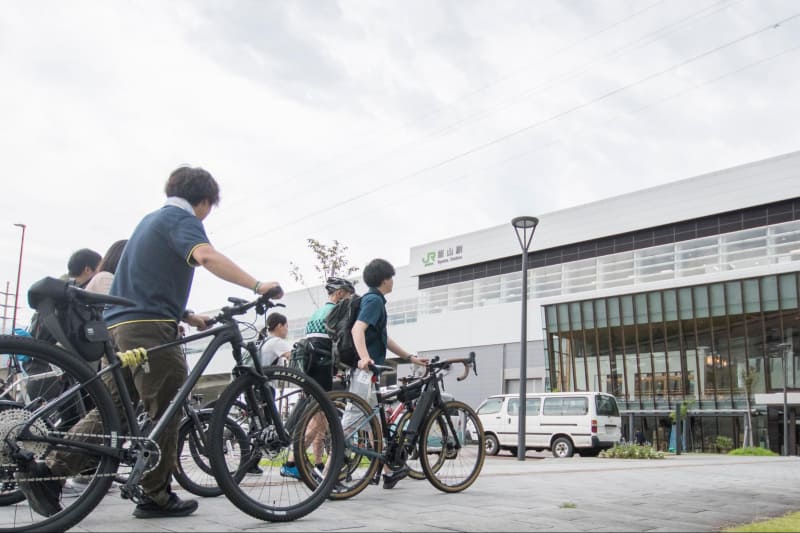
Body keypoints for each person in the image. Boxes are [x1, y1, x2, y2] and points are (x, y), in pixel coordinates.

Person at [16, 166, 283, 519]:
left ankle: (47, 473)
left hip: (123, 325)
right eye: (209, 207)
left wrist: (187, 316)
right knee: (168, 405)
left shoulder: (148, 221)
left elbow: (142, 281)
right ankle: (155, 495)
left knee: (112, 412)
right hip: (149, 329)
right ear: (203, 200)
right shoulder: (181, 218)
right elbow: (206, 256)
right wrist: (257, 285)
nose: (207, 214)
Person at [351, 258, 426, 489]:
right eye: (392, 277)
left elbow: (385, 339)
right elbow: (357, 329)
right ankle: (332, 469)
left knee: (375, 422)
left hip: (373, 371)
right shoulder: (374, 300)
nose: (393, 281)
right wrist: (364, 358)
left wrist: (409, 357)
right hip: (366, 371)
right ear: (385, 279)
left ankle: (387, 471)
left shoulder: (375, 302)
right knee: (350, 420)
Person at [280, 276, 355, 480]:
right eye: (348, 295)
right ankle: (291, 461)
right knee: (317, 419)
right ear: (339, 293)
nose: (349, 300)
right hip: (322, 367)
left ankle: (312, 463)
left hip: (309, 366)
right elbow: (344, 341)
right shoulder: (336, 311)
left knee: (319, 419)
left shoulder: (316, 313)